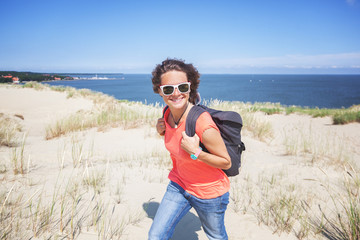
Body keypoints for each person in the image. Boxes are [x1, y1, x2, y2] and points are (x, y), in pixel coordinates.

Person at [148, 58, 231, 240]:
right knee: (156, 236)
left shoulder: (202, 123)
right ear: (159, 91)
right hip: (179, 184)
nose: (176, 94)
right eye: (168, 89)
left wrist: (197, 152)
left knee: (216, 237)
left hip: (209, 193)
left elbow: (226, 162)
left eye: (182, 87)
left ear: (190, 87)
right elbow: (176, 139)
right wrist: (160, 130)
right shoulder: (166, 113)